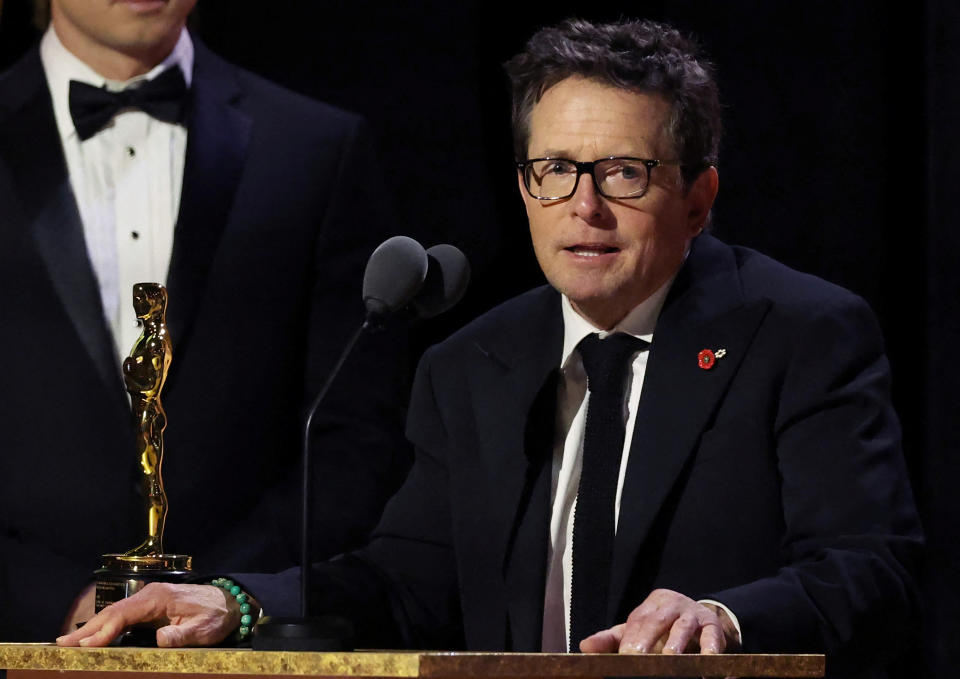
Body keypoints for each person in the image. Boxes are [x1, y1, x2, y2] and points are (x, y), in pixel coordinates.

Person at [59, 18, 922, 677]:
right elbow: (407, 578)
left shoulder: (800, 334)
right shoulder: (473, 364)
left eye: (623, 172)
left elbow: (871, 571)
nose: (584, 207)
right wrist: (238, 601)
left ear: (699, 199)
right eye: (555, 170)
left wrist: (725, 617)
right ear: (523, 186)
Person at [0, 0, 409, 641]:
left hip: (246, 637)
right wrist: (47, 598)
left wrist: (222, 594)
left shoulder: (314, 147)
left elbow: (354, 433)